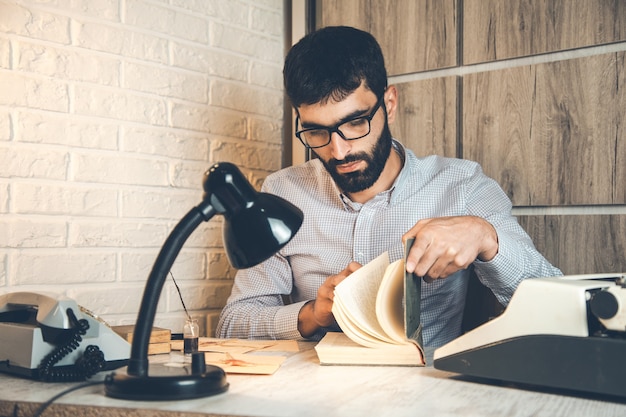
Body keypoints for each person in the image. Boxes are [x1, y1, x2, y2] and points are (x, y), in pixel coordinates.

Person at [216, 26, 562, 347]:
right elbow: (233, 324)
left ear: (389, 104)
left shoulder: (461, 186)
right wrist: (311, 314)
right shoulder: (282, 193)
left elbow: (556, 305)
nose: (338, 151)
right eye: (316, 132)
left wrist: (486, 237)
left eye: (355, 123)